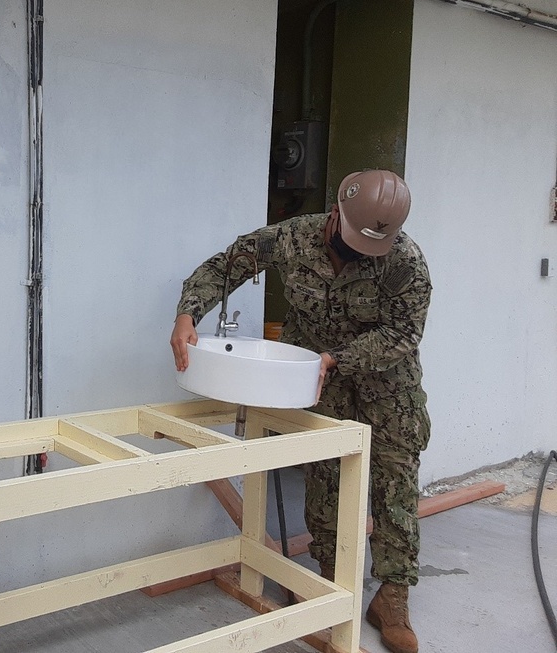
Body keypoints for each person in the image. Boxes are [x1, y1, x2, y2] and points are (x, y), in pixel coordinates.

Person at [170, 170, 431, 653]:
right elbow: (224, 266)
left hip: (386, 383)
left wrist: (339, 359)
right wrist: (188, 314)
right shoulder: (292, 238)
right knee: (326, 477)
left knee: (395, 482)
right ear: (337, 213)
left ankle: (393, 596)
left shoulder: (406, 264)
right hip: (313, 376)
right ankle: (332, 579)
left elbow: (402, 335)